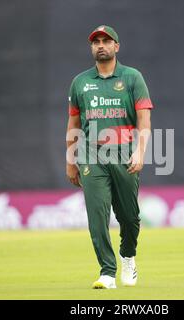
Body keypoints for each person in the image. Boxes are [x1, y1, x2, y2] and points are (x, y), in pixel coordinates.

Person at [66, 25, 153, 289]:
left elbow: (144, 120)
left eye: (106, 41)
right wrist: (71, 161)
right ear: (92, 48)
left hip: (125, 155)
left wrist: (140, 151)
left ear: (116, 46)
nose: (101, 45)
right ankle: (107, 271)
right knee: (97, 215)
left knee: (129, 217)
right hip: (92, 156)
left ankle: (128, 256)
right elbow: (73, 124)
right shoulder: (80, 82)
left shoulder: (132, 78)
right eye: (96, 42)